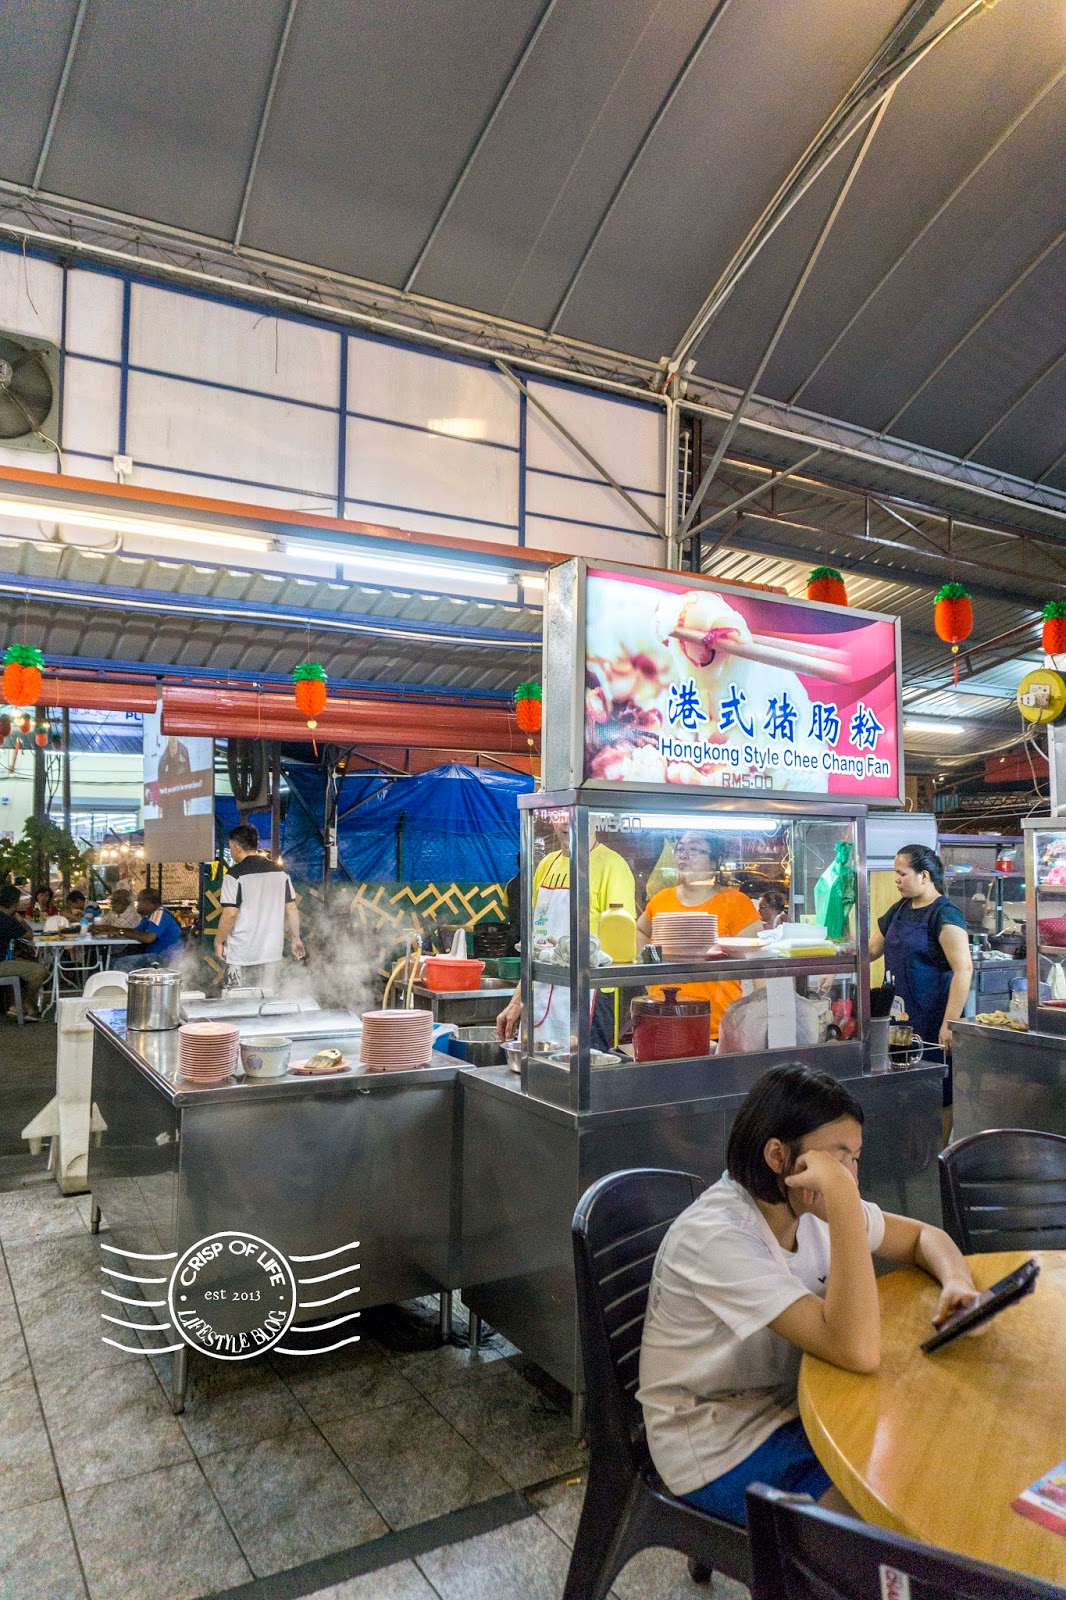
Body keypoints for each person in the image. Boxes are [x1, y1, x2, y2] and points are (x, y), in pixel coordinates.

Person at [638, 1063, 979, 1527]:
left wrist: (957, 1280)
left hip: (792, 1403)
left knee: (930, 1453)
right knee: (888, 1516)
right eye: (838, 1158)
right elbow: (856, 1350)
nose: (850, 1175)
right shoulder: (719, 1236)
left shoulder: (808, 1203)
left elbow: (924, 1239)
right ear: (778, 1156)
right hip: (719, 1440)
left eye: (854, 1158)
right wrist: (840, 1200)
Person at [496, 817, 635, 1048]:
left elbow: (620, 949)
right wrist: (518, 999)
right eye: (560, 816)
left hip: (590, 994)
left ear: (595, 818)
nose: (566, 824)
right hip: (541, 990)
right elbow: (534, 942)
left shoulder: (613, 866)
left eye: (575, 816)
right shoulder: (546, 865)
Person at [868, 844, 972, 1134]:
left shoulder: (945, 913)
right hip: (901, 1020)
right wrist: (838, 964)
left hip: (934, 1019)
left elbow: (963, 970)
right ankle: (912, 1158)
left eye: (902, 873)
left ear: (924, 875)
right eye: (895, 874)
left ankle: (937, 1161)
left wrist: (950, 1024)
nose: (897, 880)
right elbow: (871, 949)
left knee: (940, 1091)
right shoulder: (899, 909)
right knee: (906, 1087)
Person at [636, 832, 761, 1043]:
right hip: (662, 1022)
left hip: (717, 1029)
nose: (683, 855)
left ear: (716, 860)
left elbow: (760, 961)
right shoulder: (661, 900)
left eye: (694, 849)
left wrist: (764, 1014)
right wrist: (648, 977)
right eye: (680, 849)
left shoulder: (735, 903)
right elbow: (641, 930)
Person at [214, 824, 304, 992]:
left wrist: (219, 941)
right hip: (271, 952)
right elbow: (291, 909)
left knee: (238, 1004)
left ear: (237, 847)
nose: (231, 850)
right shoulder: (280, 872)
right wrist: (296, 939)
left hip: (241, 954)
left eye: (231, 846)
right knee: (267, 1004)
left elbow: (231, 913)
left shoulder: (234, 875)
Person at [0, 883, 47, 1019]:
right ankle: (23, 1005)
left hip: (5, 960)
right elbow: (29, 934)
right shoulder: (8, 920)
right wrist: (20, 920)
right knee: (38, 970)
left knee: (21, 963)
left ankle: (21, 1005)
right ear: (15, 903)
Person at [113, 887, 185, 971]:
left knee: (122, 963)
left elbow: (148, 938)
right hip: (156, 955)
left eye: (139, 901)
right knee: (114, 958)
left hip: (165, 957)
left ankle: (125, 984)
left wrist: (120, 932)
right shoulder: (150, 915)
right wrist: (112, 929)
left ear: (147, 902)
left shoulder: (159, 913)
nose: (137, 905)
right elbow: (135, 931)